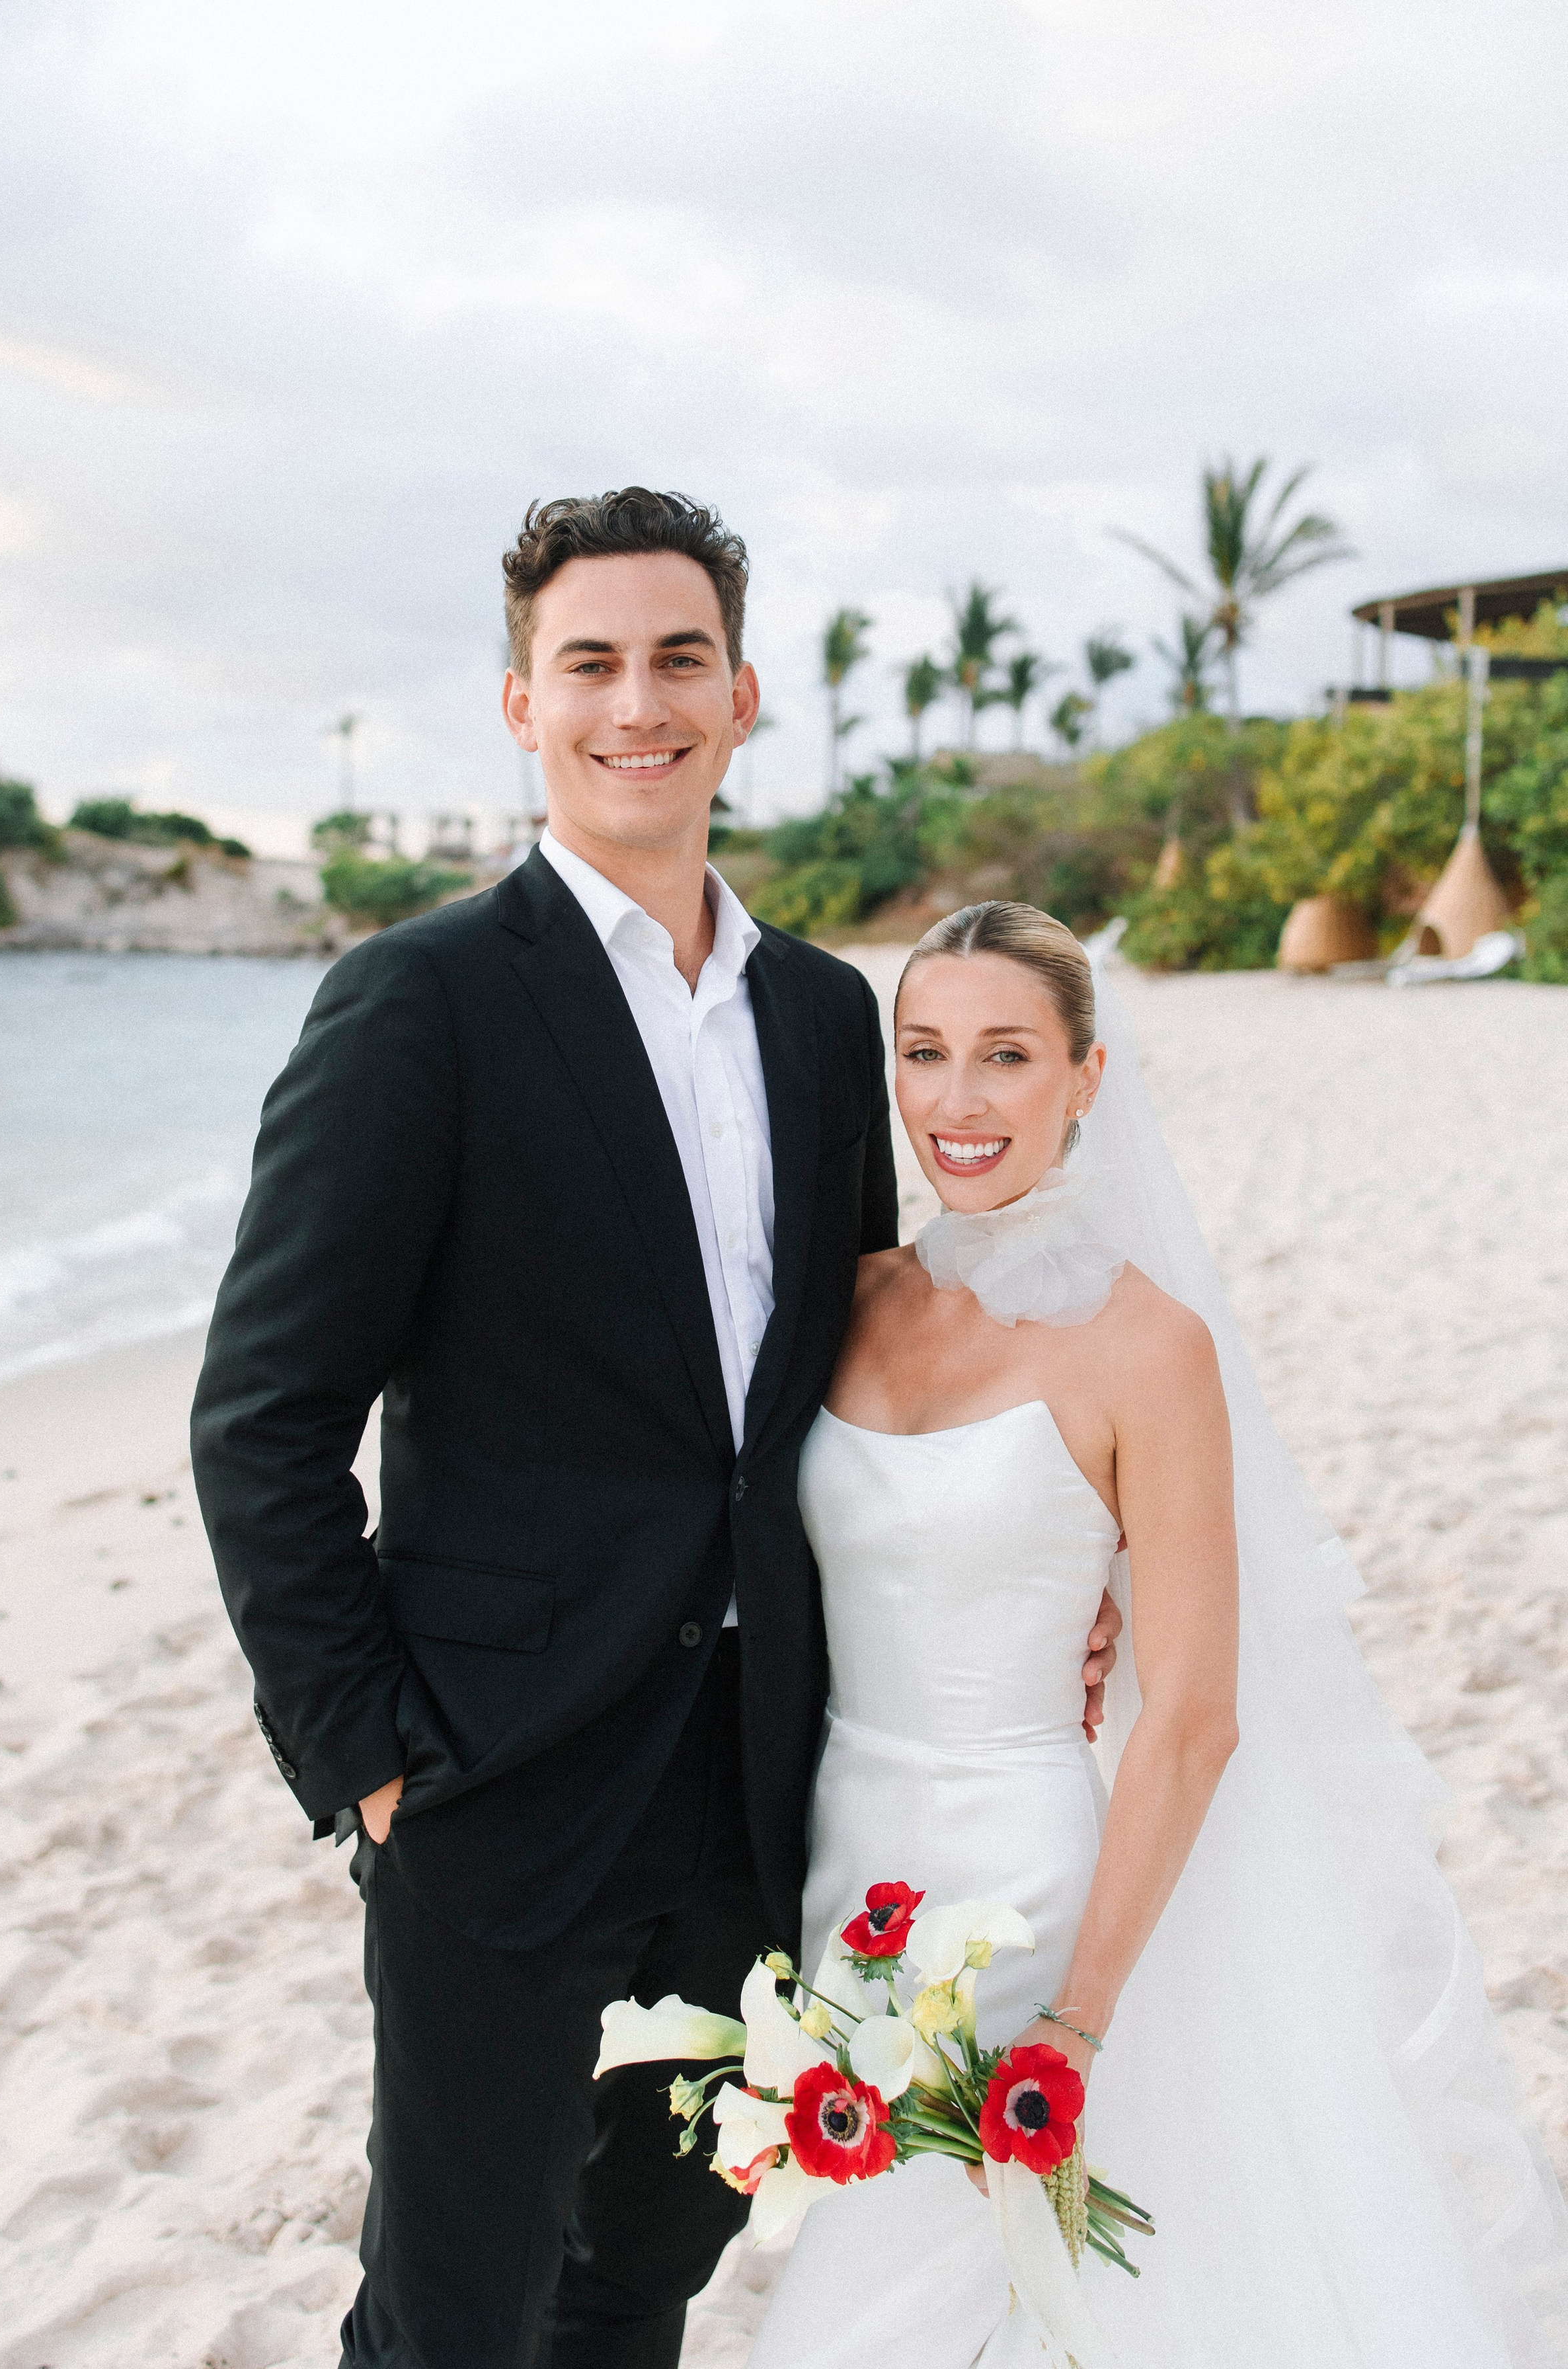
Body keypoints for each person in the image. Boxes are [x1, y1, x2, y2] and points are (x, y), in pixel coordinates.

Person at [190, 486, 1125, 2368]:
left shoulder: (811, 1015)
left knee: (646, 2279)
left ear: (744, 691)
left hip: (761, 1779)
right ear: (521, 703)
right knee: (455, 2309)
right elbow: (262, 1423)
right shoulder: (418, 1005)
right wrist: (375, 1770)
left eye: (678, 657)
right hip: (492, 1787)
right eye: (591, 661)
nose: (640, 700)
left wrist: (1053, 1576)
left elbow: (870, 1371)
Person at [746, 902, 1568, 2368]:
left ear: (1086, 1075)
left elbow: (1192, 1714)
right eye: (923, 1052)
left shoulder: (1146, 1346)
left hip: (1029, 1890)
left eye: (1006, 1054)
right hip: (842, 1871)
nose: (957, 1099)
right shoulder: (857, 1300)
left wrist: (1077, 2015)